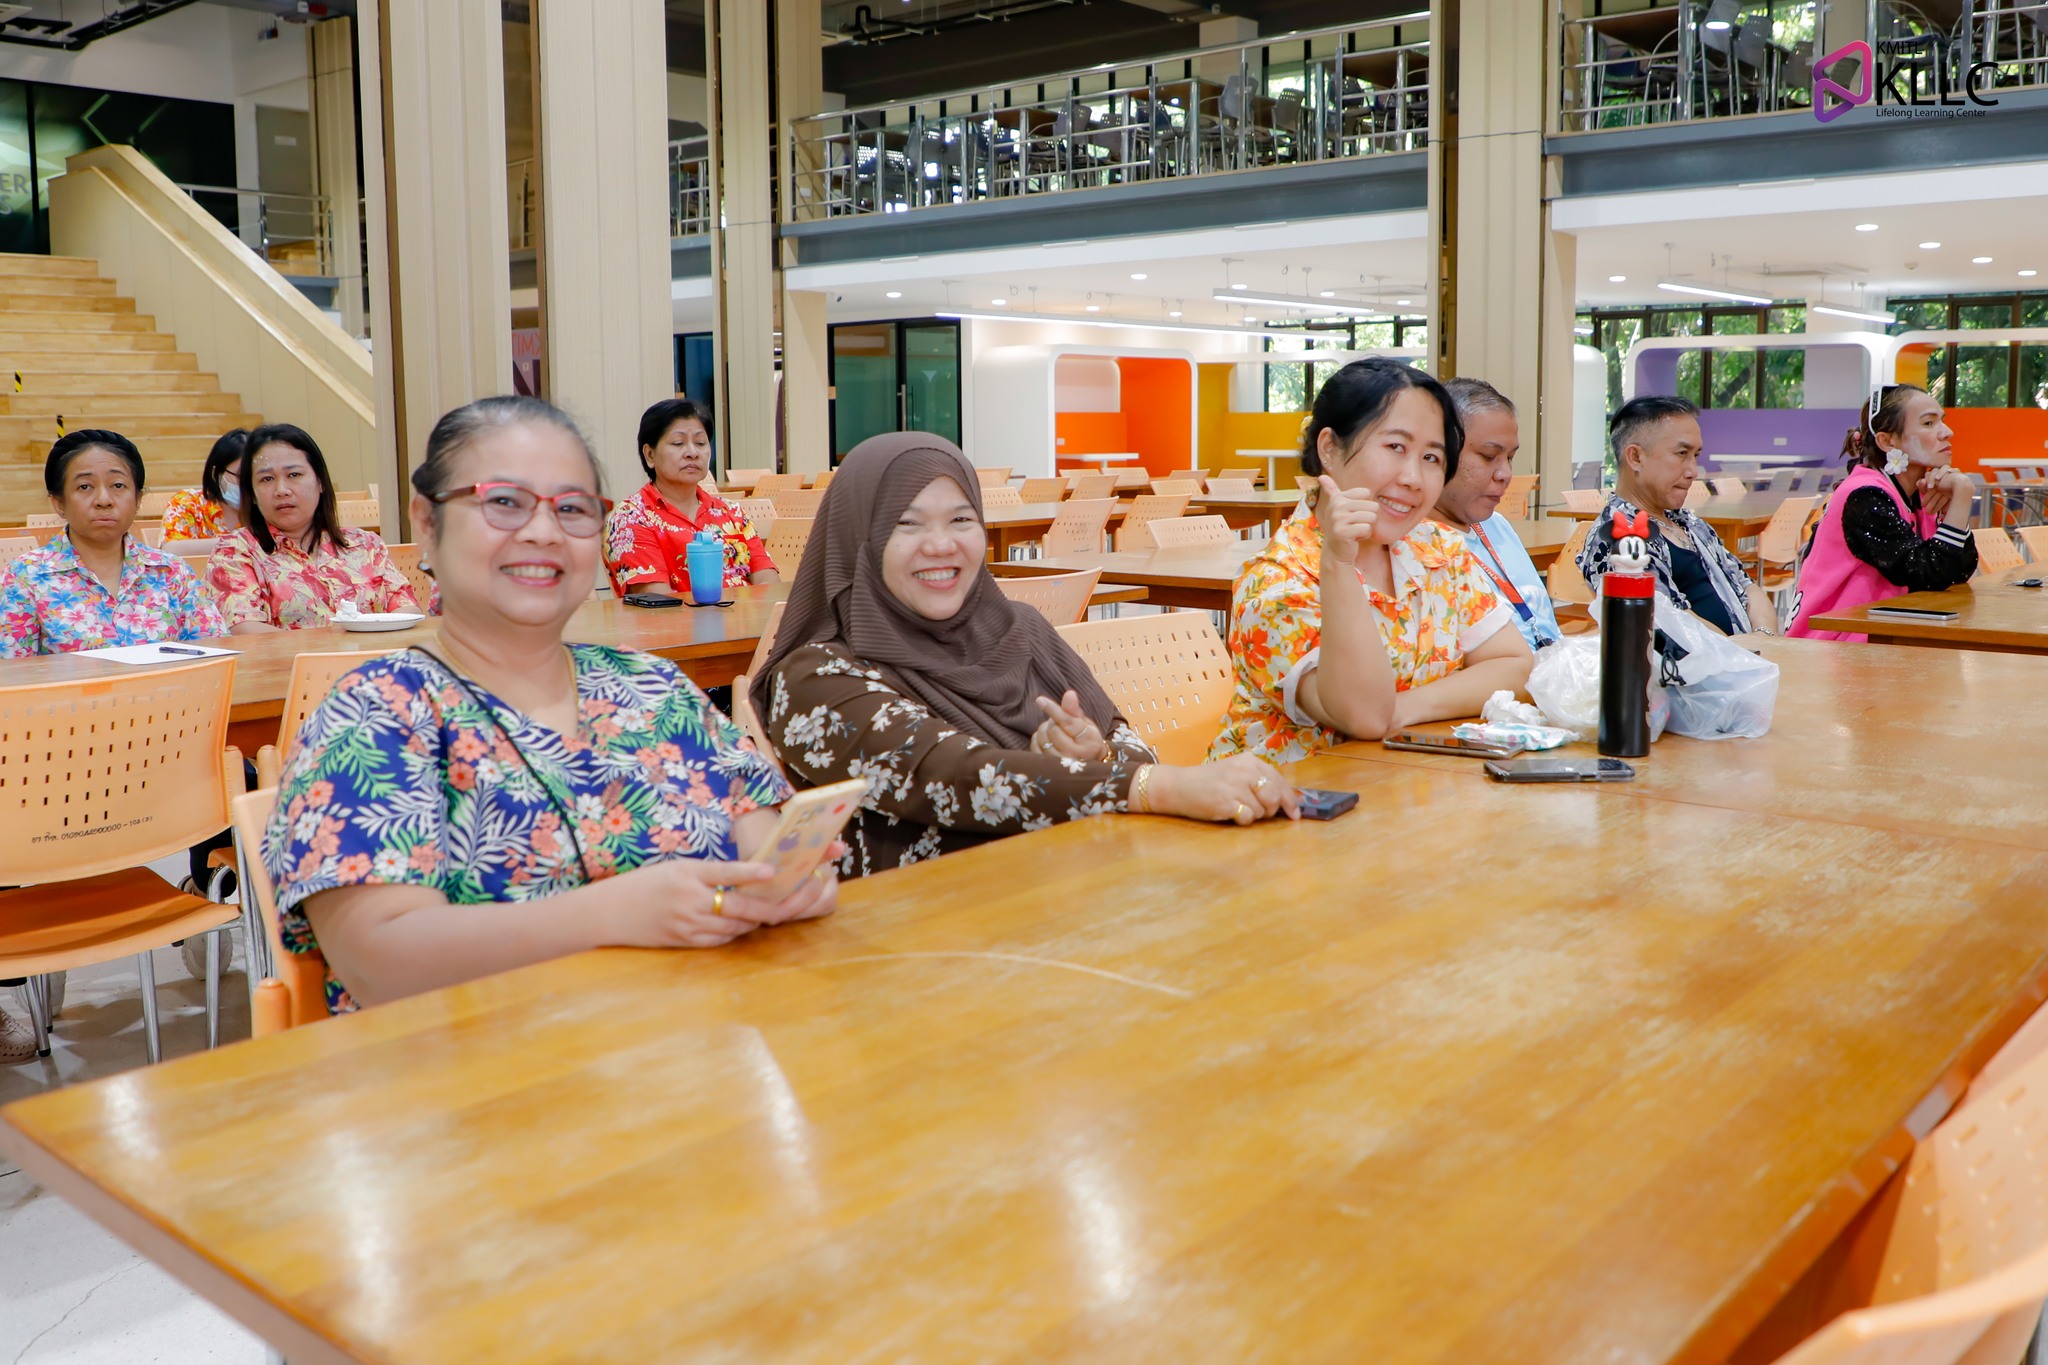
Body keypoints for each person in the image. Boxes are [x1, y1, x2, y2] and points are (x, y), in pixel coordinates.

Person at [263, 396, 833, 1015]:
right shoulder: (377, 715)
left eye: (572, 508)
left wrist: (790, 886)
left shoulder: (655, 689)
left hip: (701, 1038)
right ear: (426, 521)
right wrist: (613, 913)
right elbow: (380, 964)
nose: (543, 531)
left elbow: (764, 851)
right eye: (505, 502)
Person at [753, 431, 1298, 878]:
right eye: (906, 524)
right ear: (858, 542)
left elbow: (1131, 747)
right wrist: (1158, 787)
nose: (941, 544)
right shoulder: (815, 678)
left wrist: (1095, 755)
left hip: (1073, 889)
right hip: (922, 937)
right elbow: (955, 777)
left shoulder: (1022, 630)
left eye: (961, 520)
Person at [1209, 359, 1534, 764]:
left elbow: (1516, 664)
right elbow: (1364, 716)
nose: (1413, 477)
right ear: (1330, 448)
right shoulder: (1276, 584)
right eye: (1396, 447)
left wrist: (1402, 709)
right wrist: (1338, 564)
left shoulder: (1437, 548)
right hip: (1291, 794)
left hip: (1412, 784)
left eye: (1431, 458)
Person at [0, 429, 226, 657]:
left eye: (118, 485)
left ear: (138, 499)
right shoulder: (24, 578)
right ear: (59, 503)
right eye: (84, 486)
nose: (104, 500)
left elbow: (215, 654)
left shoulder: (172, 573)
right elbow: (11, 671)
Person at [1575, 395, 1777, 640]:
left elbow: (1746, 585)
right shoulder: (1621, 538)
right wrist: (1743, 650)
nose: (1693, 471)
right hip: (1699, 663)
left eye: (1696, 456)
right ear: (1636, 457)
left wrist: (1763, 636)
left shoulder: (1690, 523)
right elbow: (1671, 624)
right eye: (1682, 453)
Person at [1787, 383, 1977, 640]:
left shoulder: (1920, 491)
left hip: (1880, 637)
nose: (1947, 432)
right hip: (1831, 648)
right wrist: (1962, 493)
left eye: (1942, 420)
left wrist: (1951, 507)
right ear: (1887, 441)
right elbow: (1931, 573)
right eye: (1929, 423)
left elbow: (1960, 570)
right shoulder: (1865, 496)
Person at [207, 422, 421, 633]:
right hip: (290, 659)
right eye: (267, 479)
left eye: (294, 475)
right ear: (252, 493)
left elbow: (406, 608)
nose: (281, 490)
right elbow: (245, 628)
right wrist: (336, 649)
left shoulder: (365, 545)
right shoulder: (235, 552)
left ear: (321, 482)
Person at [1430, 377, 1562, 650]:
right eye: (1489, 456)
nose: (1505, 474)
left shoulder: (1495, 524)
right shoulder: (1421, 547)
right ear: (1439, 453)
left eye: (1510, 458)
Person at [604, 397, 778, 596]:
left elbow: (768, 580)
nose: (693, 453)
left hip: (750, 616)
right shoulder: (630, 518)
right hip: (679, 617)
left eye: (701, 443)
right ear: (650, 455)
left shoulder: (731, 512)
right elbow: (658, 601)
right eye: (678, 443)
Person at [160, 428, 248, 544]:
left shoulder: (265, 509)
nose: (247, 484)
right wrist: (237, 544)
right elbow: (171, 548)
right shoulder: (189, 503)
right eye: (241, 475)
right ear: (216, 474)